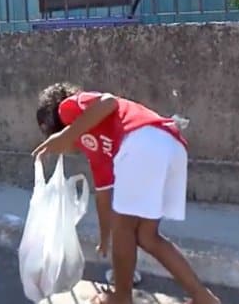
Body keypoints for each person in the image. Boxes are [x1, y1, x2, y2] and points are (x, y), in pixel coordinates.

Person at [33, 83, 220, 304]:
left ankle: (121, 297)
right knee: (146, 237)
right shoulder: (96, 149)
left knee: (124, 229)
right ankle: (203, 297)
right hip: (169, 145)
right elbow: (103, 196)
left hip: (144, 141)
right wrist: (104, 238)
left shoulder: (68, 107)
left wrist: (67, 134)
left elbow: (109, 102)